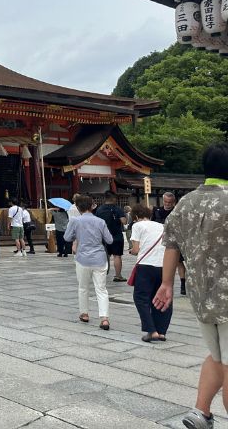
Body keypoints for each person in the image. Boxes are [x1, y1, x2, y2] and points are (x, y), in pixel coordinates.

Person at [153, 144, 228, 429]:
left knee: (219, 356)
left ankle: (201, 413)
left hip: (201, 296)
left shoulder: (185, 203)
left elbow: (171, 244)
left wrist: (166, 284)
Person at [64, 194, 113, 330]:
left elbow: (67, 237)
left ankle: (84, 313)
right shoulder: (100, 221)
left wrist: (76, 235)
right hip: (99, 258)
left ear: (78, 207)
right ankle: (104, 318)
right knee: (101, 289)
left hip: (82, 257)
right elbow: (109, 240)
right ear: (92, 206)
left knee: (83, 287)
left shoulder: (75, 221)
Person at [129, 203, 171, 343]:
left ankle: (151, 330)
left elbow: (135, 249)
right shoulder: (161, 226)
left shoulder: (137, 226)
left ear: (135, 216)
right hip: (164, 266)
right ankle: (162, 331)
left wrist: (131, 251)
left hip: (146, 265)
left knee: (141, 298)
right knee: (162, 298)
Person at [153, 191, 187, 296]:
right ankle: (161, 283)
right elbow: (152, 224)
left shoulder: (177, 212)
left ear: (173, 202)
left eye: (170, 202)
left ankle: (183, 284)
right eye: (166, 202)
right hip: (159, 240)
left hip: (175, 241)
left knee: (179, 262)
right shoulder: (156, 211)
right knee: (160, 262)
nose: (167, 204)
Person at [95, 191, 128, 282]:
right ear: (113, 198)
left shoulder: (99, 209)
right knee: (117, 256)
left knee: (106, 255)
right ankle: (118, 275)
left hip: (103, 236)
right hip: (116, 235)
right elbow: (124, 222)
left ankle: (103, 274)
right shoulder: (117, 209)